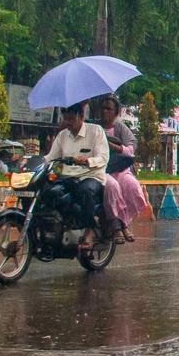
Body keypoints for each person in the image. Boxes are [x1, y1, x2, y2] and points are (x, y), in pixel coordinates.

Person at [43, 103, 110, 249]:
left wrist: (87, 161)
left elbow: (103, 158)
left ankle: (89, 230)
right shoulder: (62, 136)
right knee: (48, 190)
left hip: (91, 176)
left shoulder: (95, 131)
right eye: (66, 118)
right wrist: (30, 163)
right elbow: (50, 158)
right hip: (67, 177)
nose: (68, 122)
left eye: (71, 119)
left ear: (82, 116)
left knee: (85, 191)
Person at [99, 96, 147, 243]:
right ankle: (119, 227)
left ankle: (124, 222)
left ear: (116, 113)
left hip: (120, 169)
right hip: (101, 169)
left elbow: (130, 150)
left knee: (132, 187)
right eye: (102, 108)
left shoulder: (121, 129)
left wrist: (114, 147)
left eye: (108, 108)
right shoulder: (94, 127)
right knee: (112, 187)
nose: (104, 111)